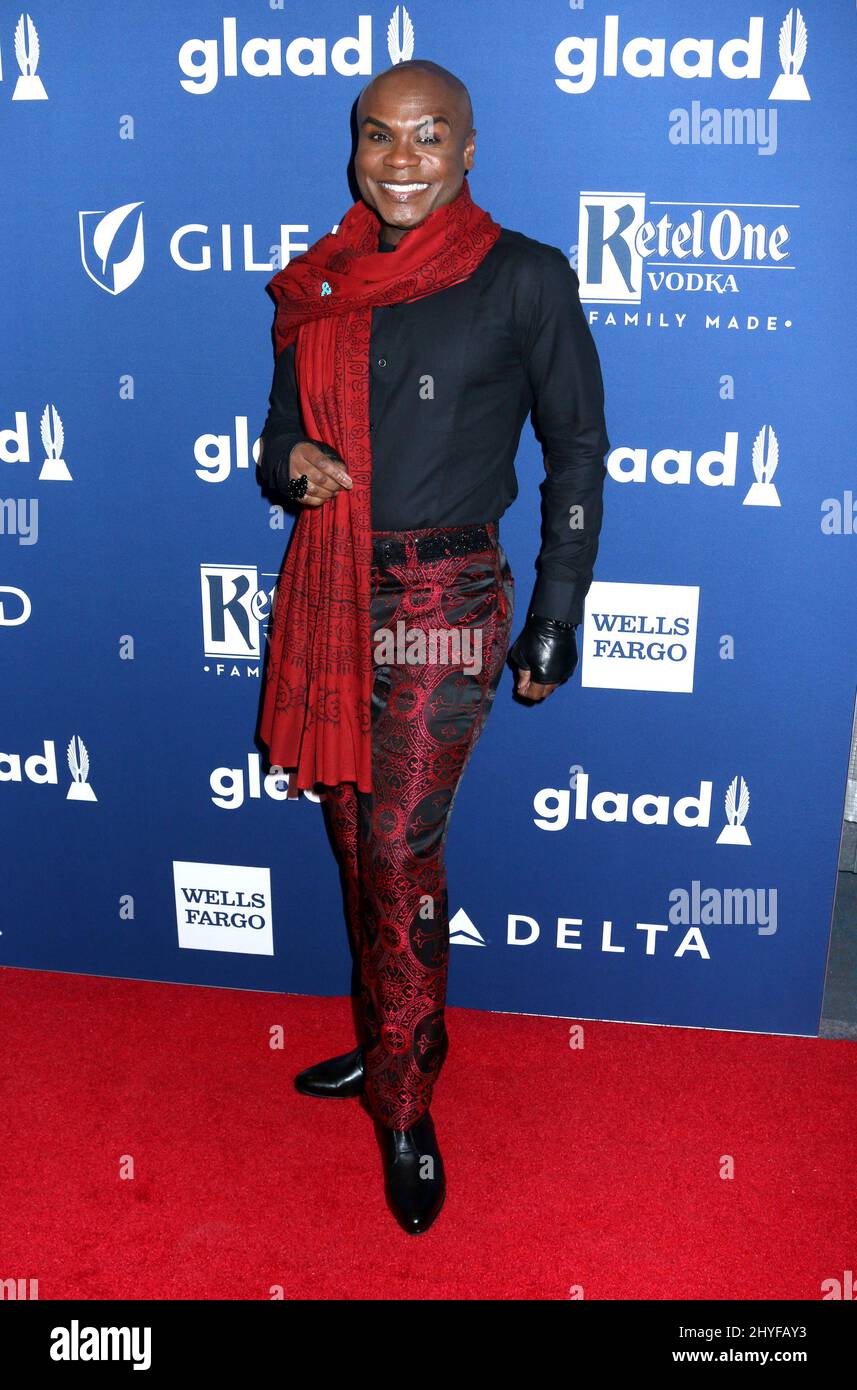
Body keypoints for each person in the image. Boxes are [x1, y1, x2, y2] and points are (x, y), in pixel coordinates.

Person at [257, 59, 610, 1234]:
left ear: (468, 149)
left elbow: (575, 452)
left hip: (444, 597)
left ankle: (404, 1103)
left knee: (401, 849)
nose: (397, 161)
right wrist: (289, 466)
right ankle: (396, 1031)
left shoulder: (523, 278)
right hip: (330, 593)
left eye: (425, 137)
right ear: (353, 148)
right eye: (376, 137)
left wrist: (555, 609)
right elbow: (277, 434)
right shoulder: (321, 282)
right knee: (356, 845)